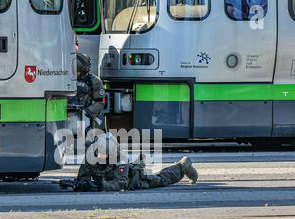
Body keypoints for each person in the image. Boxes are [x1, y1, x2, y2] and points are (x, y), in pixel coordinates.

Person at [60, 133, 199, 192]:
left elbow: (121, 184)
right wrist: (79, 185)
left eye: (104, 154)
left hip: (133, 178)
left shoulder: (121, 159)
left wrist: (98, 185)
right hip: (107, 178)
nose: (100, 157)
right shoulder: (92, 153)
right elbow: (83, 176)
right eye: (99, 153)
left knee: (162, 179)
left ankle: (182, 165)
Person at [69, 53, 106, 131]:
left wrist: (87, 111)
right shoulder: (67, 79)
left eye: (78, 72)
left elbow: (101, 102)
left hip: (87, 116)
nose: (76, 74)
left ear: (85, 69)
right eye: (75, 71)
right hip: (68, 115)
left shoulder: (95, 81)